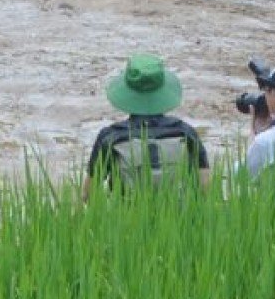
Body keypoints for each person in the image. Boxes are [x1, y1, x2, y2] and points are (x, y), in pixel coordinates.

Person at [84, 53, 210, 199]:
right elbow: (205, 189)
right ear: (163, 92)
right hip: (178, 215)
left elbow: (88, 194)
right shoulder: (186, 133)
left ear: (127, 93)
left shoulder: (110, 137)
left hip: (125, 217)